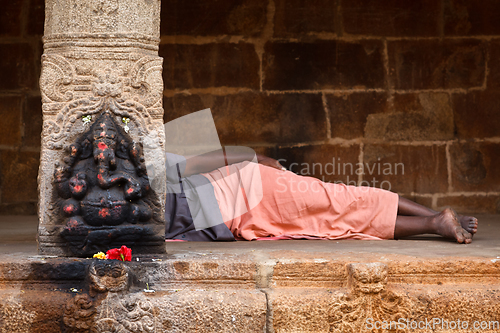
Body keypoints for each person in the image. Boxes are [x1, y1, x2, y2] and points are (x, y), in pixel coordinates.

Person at [164, 148, 477, 244]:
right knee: (336, 223)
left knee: (340, 202)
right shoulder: (129, 221)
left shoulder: (150, 170)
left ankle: (437, 218)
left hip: (249, 190)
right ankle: (437, 220)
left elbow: (204, 158)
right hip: (244, 218)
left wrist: (255, 158)